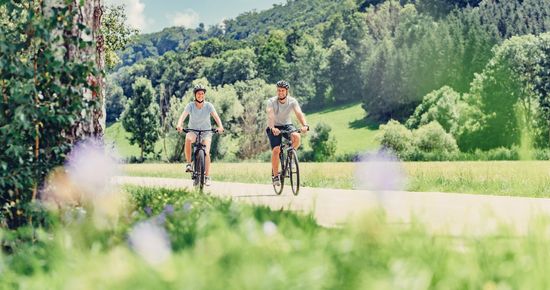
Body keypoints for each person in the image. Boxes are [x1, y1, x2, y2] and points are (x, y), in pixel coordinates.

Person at [176, 84, 224, 186]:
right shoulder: (190, 106)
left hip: (206, 132)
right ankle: (189, 164)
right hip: (193, 131)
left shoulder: (209, 106)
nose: (200, 95)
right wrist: (179, 125)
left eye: (202, 94)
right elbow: (183, 116)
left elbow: (216, 116)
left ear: (204, 95)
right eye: (198, 94)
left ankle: (206, 177)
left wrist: (220, 126)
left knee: (206, 152)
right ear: (195, 95)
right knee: (188, 138)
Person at [266, 80, 309, 186]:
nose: (280, 92)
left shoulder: (292, 101)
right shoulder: (271, 101)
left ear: (287, 91)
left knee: (297, 137)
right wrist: (272, 128)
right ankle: (275, 176)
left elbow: (299, 113)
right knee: (276, 150)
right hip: (274, 127)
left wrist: (304, 125)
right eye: (278, 90)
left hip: (287, 125)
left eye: (282, 91)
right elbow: (271, 116)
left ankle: (291, 156)